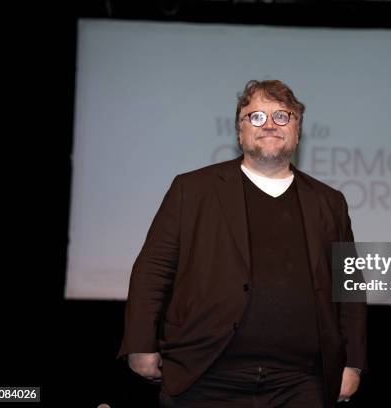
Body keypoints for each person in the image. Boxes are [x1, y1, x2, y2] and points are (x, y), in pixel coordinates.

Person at [118, 79, 367, 407]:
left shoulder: (329, 202)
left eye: (282, 116)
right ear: (239, 130)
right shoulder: (191, 190)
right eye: (256, 116)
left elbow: (347, 285)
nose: (270, 125)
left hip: (300, 382)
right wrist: (139, 343)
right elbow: (153, 269)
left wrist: (352, 362)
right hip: (203, 375)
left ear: (298, 129)